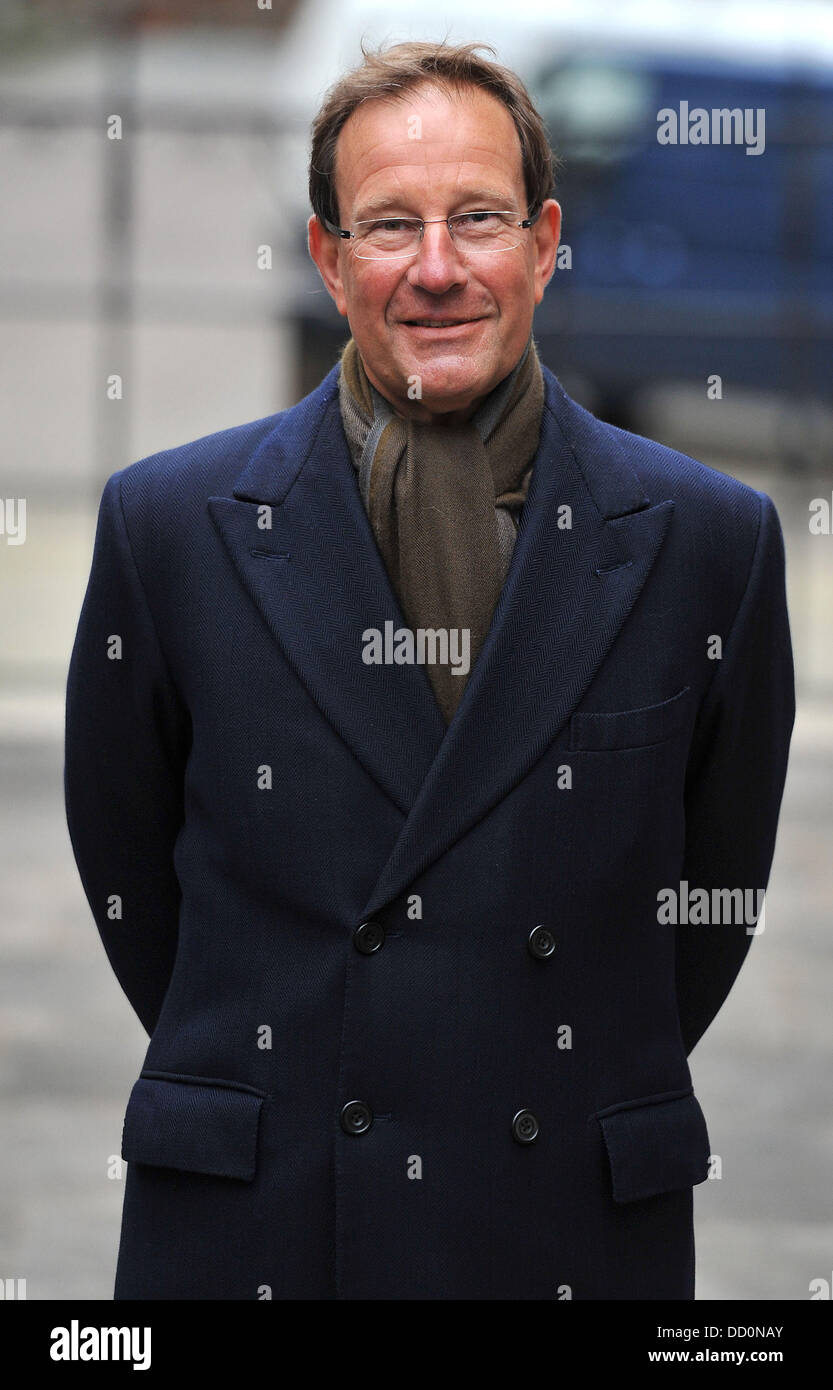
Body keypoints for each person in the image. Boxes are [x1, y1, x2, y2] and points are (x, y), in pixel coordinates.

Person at [64, 39, 795, 1300]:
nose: (438, 268)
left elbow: (706, 903)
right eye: (389, 224)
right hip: (258, 1222)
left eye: (479, 220)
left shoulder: (708, 545)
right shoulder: (167, 526)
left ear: (546, 240)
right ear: (326, 257)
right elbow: (136, 883)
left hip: (560, 1218)